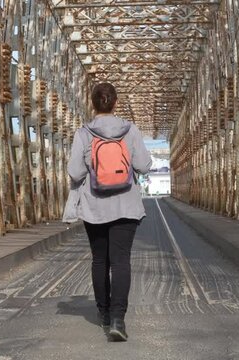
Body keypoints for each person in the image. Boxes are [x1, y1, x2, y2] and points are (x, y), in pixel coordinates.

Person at [62, 82, 152, 342]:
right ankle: (118, 319)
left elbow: (75, 172)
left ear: (93, 103)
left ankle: (102, 314)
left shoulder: (83, 134)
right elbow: (144, 166)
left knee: (100, 260)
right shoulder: (130, 130)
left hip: (95, 207)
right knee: (121, 261)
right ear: (115, 103)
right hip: (126, 205)